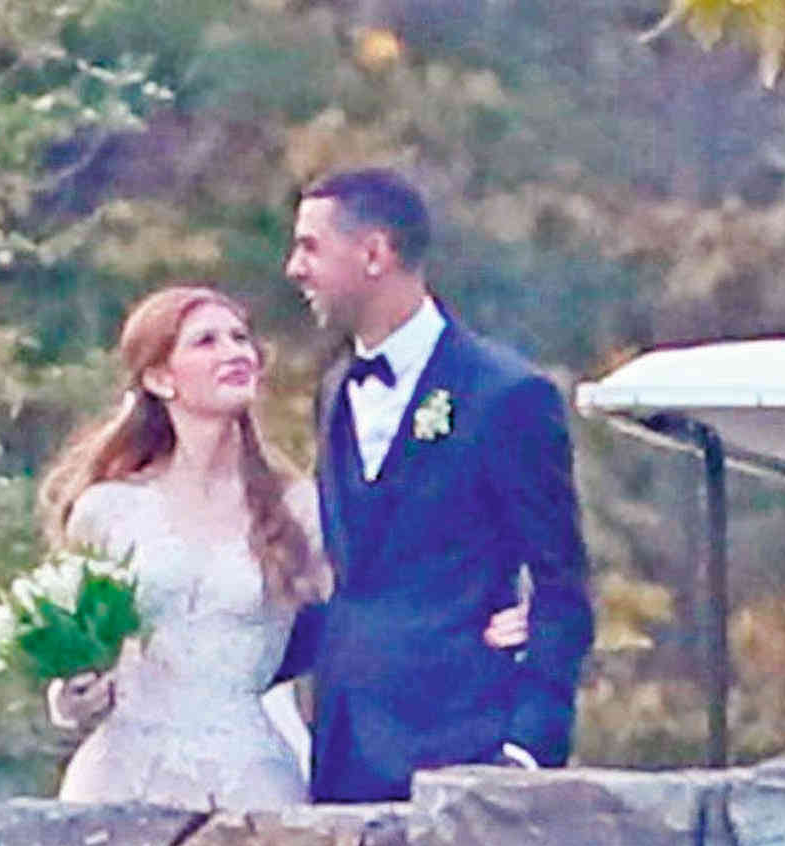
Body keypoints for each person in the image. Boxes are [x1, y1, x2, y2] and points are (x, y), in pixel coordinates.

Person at [35, 285, 526, 810]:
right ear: (159, 378)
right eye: (206, 342)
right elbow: (82, 647)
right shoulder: (108, 510)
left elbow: (381, 596)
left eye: (240, 338)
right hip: (122, 775)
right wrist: (71, 696)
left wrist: (501, 609)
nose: (235, 352)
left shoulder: (299, 508)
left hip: (246, 774)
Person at [273, 168, 595, 803]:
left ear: (374, 253)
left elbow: (561, 585)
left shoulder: (507, 395)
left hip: (464, 744)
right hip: (345, 751)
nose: (294, 268)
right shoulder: (335, 391)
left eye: (310, 246)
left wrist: (528, 747)